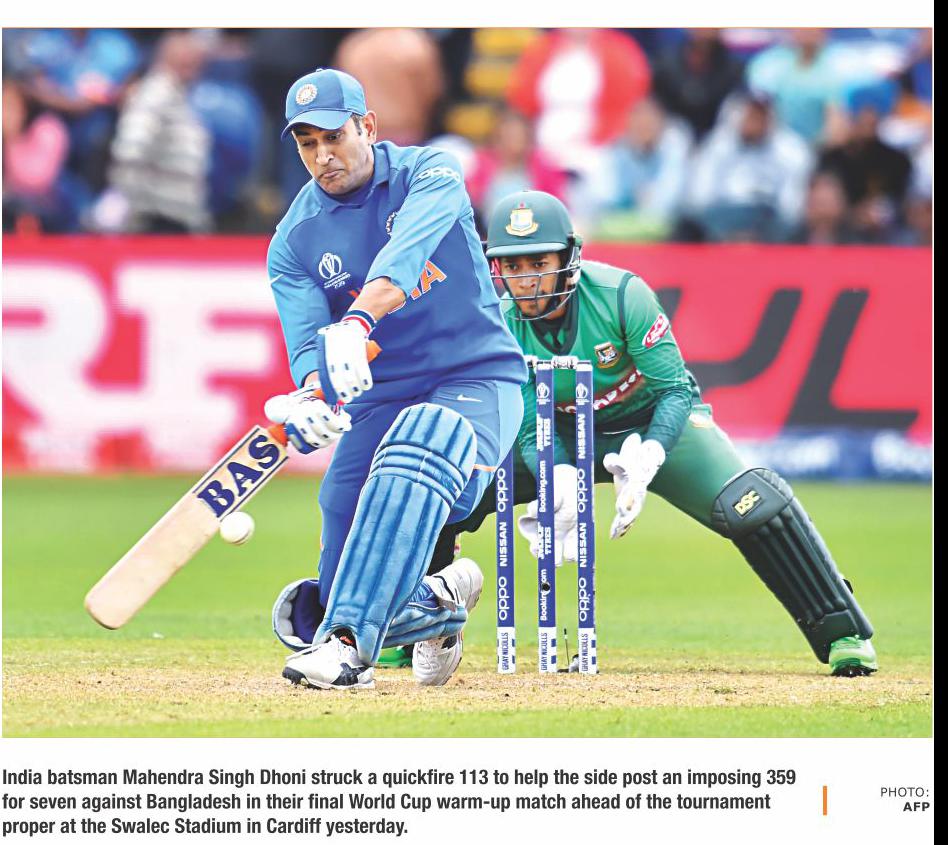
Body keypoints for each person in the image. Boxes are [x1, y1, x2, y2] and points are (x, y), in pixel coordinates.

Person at [424, 189, 879, 677]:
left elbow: (675, 390)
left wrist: (652, 453)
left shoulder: (622, 295)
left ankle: (841, 631)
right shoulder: (499, 322)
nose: (527, 280)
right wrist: (556, 474)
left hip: (649, 423)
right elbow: (527, 418)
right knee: (445, 487)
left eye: (539, 262)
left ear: (569, 258)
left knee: (752, 504)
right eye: (513, 267)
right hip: (561, 430)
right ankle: (412, 624)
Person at [264, 69, 527, 690]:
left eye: (334, 137)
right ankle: (437, 603)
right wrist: (312, 396)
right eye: (307, 144)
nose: (323, 157)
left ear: (368, 127)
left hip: (476, 377)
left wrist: (357, 321)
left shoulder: (430, 173)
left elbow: (403, 257)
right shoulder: (293, 241)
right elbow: (307, 344)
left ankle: (345, 647)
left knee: (420, 443)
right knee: (339, 503)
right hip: (382, 396)